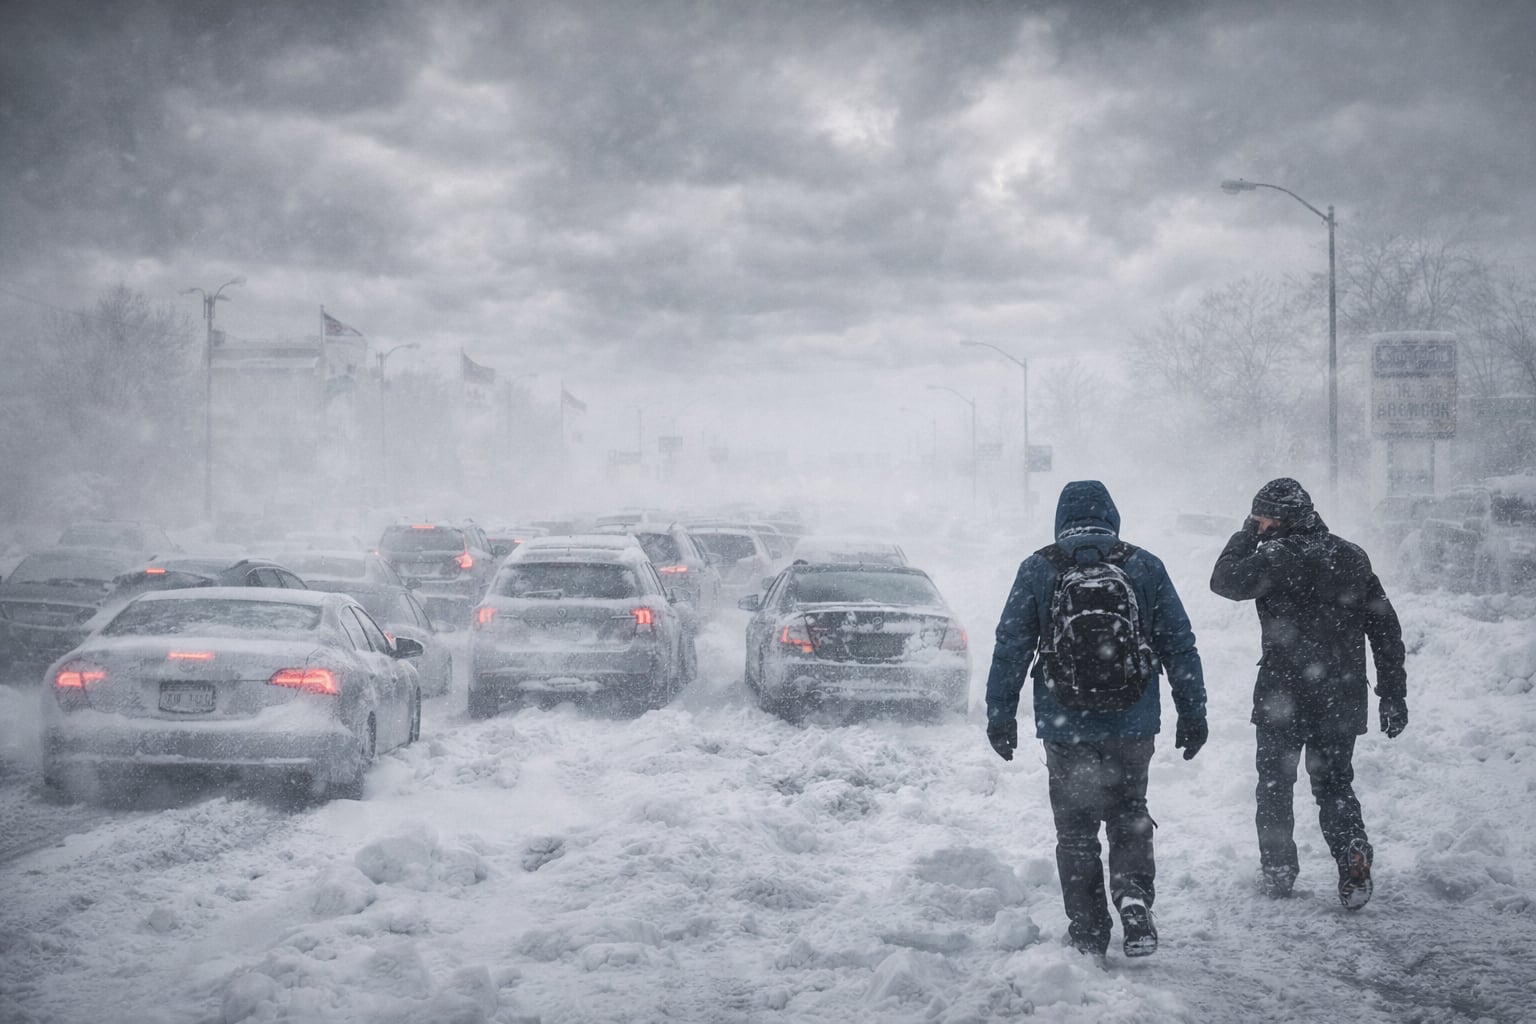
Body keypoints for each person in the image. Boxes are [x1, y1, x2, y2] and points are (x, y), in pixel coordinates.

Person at [985, 480, 1208, 959]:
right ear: (1112, 516)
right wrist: (1193, 710)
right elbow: (1179, 644)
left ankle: (1088, 931)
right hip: (1133, 718)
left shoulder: (1039, 567)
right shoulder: (1144, 565)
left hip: (1066, 724)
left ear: (1061, 518)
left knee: (1077, 830)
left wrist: (1001, 714)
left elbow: (1011, 648)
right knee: (1129, 811)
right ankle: (1132, 897)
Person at [1209, 477, 1407, 909]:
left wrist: (1244, 536)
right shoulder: (1351, 555)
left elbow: (1223, 581)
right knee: (1335, 784)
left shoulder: (1275, 558)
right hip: (1341, 694)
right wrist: (1393, 693)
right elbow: (1385, 629)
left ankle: (1279, 870)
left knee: (1275, 784)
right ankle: (1351, 847)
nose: (1258, 526)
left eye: (1261, 518)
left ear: (1279, 520)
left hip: (1284, 695)